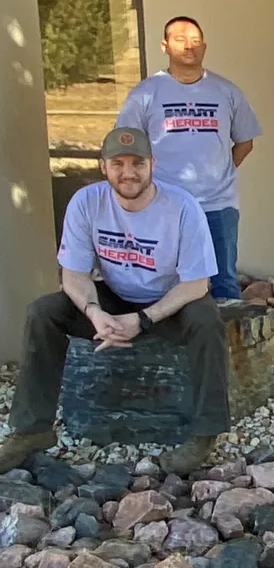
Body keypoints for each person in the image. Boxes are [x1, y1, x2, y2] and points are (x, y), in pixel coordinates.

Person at [0, 128, 229, 475]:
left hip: (168, 300)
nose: (128, 172)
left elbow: (197, 283)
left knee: (207, 321)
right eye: (118, 163)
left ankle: (204, 433)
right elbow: (73, 274)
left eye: (137, 162)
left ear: (153, 164)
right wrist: (94, 313)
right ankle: (32, 429)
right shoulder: (86, 202)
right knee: (43, 312)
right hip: (113, 294)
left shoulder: (183, 207)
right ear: (103, 166)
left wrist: (143, 320)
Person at [116, 16, 262, 301]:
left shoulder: (226, 91)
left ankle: (225, 345)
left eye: (195, 41)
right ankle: (168, 343)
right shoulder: (145, 94)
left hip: (218, 205)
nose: (189, 47)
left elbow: (245, 141)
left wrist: (222, 171)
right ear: (164, 46)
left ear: (204, 47)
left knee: (224, 281)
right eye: (180, 39)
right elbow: (128, 148)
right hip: (163, 205)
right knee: (163, 281)